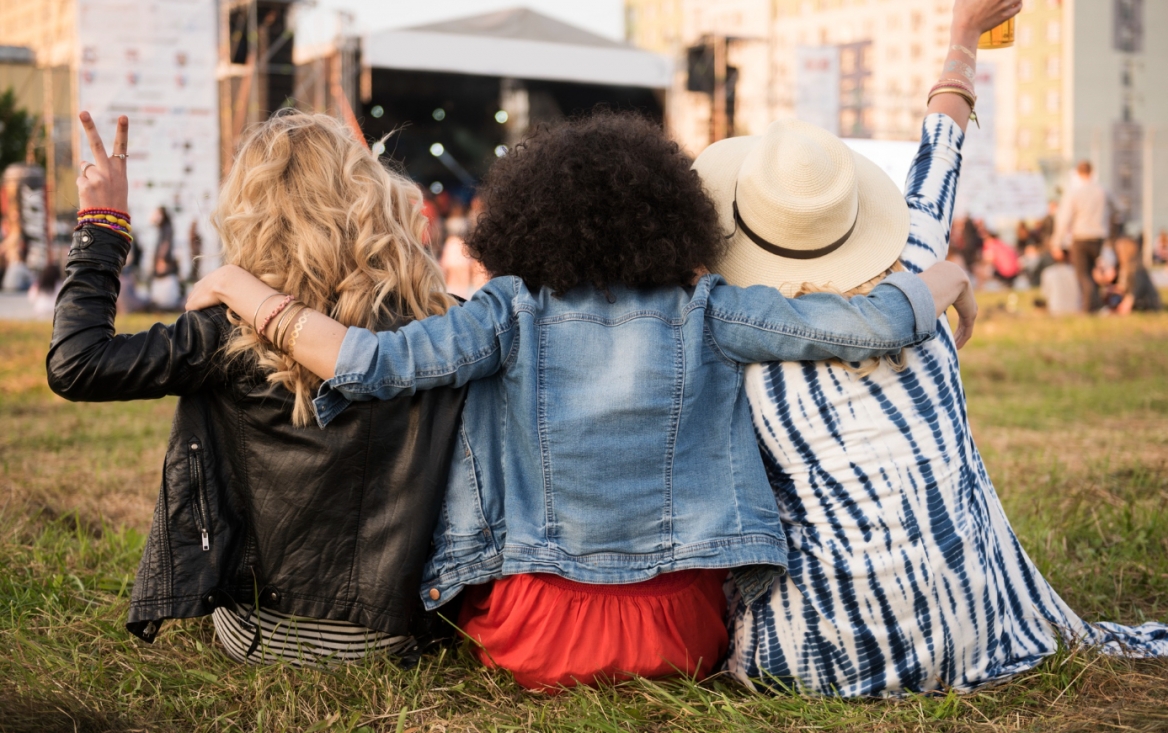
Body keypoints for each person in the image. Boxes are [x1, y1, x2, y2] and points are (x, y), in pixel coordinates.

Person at [186, 112, 977, 690]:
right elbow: (861, 326)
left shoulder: (506, 309)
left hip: (533, 634)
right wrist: (950, 278)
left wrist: (239, 287)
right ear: (676, 215)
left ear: (528, 215)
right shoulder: (710, 309)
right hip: (684, 634)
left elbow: (371, 363)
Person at [696, 0, 1168, 697]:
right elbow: (942, 141)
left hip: (815, 658)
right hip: (974, 629)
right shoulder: (918, 256)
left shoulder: (729, 328)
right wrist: (962, 36)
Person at [48, 111, 466, 666]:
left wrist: (101, 228)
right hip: (395, 633)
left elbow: (76, 363)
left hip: (263, 633)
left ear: (253, 209)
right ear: (368, 194)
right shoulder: (438, 323)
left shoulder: (229, 330)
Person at [1051, 160, 1109, 313]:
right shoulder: (1102, 191)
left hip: (1081, 237)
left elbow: (1064, 219)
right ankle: (1097, 305)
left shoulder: (1074, 192)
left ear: (1077, 173)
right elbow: (1119, 208)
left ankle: (1090, 307)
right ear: (1092, 172)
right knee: (1095, 273)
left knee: (1083, 274)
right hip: (1099, 237)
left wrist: (1056, 242)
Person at [1113, 236, 1162, 314]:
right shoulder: (1124, 268)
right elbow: (1123, 288)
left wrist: (1126, 304)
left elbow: (1136, 290)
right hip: (1135, 301)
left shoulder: (1136, 269)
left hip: (1146, 303)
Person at [149, 206, 182, 310]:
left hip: (164, 259)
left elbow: (166, 244)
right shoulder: (164, 226)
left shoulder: (166, 227)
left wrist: (161, 258)